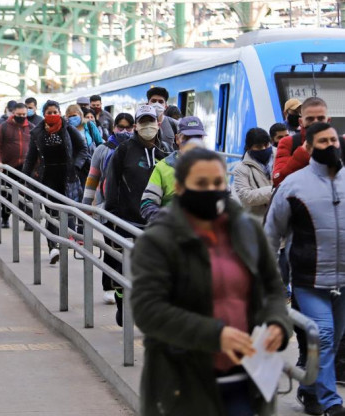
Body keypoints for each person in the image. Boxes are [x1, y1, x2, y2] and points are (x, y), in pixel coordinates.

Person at [131, 148, 291, 416]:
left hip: (246, 379)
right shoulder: (158, 240)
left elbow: (273, 287)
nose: (211, 190)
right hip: (184, 384)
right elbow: (148, 311)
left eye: (217, 183)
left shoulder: (248, 230)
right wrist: (216, 335)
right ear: (181, 188)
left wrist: (278, 323)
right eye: (201, 184)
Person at [265, 122, 345, 416]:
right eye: (323, 141)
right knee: (322, 335)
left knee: (332, 339)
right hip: (309, 280)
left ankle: (309, 390)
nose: (331, 145)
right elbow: (271, 233)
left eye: (333, 140)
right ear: (308, 148)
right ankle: (330, 403)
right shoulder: (293, 185)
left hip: (343, 281)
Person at [104, 105, 169, 325]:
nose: (147, 126)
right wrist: (111, 216)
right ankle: (122, 303)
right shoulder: (124, 150)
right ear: (136, 126)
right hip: (126, 218)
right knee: (124, 268)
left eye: (151, 121)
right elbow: (111, 183)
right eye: (143, 122)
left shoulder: (165, 150)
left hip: (155, 221)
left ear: (158, 123)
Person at [22, 100, 88, 264]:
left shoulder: (68, 129)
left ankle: (66, 240)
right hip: (48, 177)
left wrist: (77, 166)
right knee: (52, 213)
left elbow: (82, 149)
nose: (52, 115)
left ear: (59, 112)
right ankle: (53, 248)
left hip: (67, 176)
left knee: (66, 210)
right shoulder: (37, 132)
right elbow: (31, 157)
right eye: (49, 112)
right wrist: (25, 178)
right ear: (44, 114)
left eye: (55, 112)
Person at [83, 113, 135, 304]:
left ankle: (124, 288)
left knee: (128, 251)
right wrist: (86, 206)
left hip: (132, 209)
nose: (124, 131)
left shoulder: (137, 149)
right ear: (113, 128)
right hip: (108, 209)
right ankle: (109, 286)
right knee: (112, 250)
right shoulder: (102, 150)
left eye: (129, 127)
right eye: (120, 127)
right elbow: (92, 179)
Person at [140, 116, 207, 223]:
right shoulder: (162, 168)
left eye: (197, 138)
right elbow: (147, 203)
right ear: (177, 139)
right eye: (187, 139)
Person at [273, 97, 331, 187]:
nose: (315, 123)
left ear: (328, 120)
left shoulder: (339, 144)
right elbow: (278, 180)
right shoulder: (288, 142)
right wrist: (302, 153)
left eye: (320, 118)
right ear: (301, 121)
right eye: (310, 119)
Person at [0, 103, 30, 228]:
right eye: (19, 114)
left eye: (24, 114)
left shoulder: (31, 127)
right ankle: (5, 217)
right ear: (13, 113)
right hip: (7, 166)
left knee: (27, 194)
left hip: (25, 167)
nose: (22, 117)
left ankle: (28, 221)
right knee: (6, 194)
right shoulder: (4, 127)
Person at [232, 128, 274, 220]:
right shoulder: (241, 169)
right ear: (248, 148)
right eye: (259, 147)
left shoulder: (279, 160)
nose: (264, 149)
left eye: (266, 145)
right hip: (257, 222)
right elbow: (245, 197)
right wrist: (274, 191)